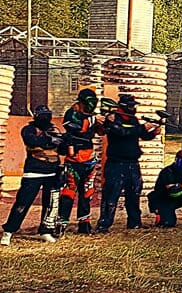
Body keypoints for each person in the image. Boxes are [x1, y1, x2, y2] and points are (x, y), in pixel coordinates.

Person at [1, 105, 67, 245]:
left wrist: (64, 143)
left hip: (52, 171)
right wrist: (50, 140)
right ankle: (9, 231)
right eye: (43, 115)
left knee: (51, 204)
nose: (45, 118)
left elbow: (62, 149)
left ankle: (45, 231)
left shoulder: (55, 130)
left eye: (47, 115)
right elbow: (32, 141)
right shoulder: (29, 129)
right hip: (33, 171)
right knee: (23, 203)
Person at [97, 95, 159, 233]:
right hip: (116, 164)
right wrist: (142, 128)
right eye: (131, 106)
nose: (133, 108)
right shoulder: (113, 119)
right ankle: (104, 225)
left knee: (134, 194)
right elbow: (122, 132)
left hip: (132, 163)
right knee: (111, 196)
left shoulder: (133, 120)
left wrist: (153, 132)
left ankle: (134, 223)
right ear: (124, 106)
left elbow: (141, 135)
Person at [59, 88, 102, 234]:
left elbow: (101, 132)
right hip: (74, 158)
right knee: (69, 191)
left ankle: (84, 223)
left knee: (87, 192)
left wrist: (106, 121)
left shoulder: (92, 117)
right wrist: (93, 120)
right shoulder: (71, 113)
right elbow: (76, 128)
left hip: (89, 157)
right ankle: (61, 223)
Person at [148, 150, 182, 227]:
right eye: (181, 161)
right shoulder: (167, 171)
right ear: (176, 160)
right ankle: (160, 215)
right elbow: (172, 191)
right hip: (164, 199)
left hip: (176, 198)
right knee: (168, 224)